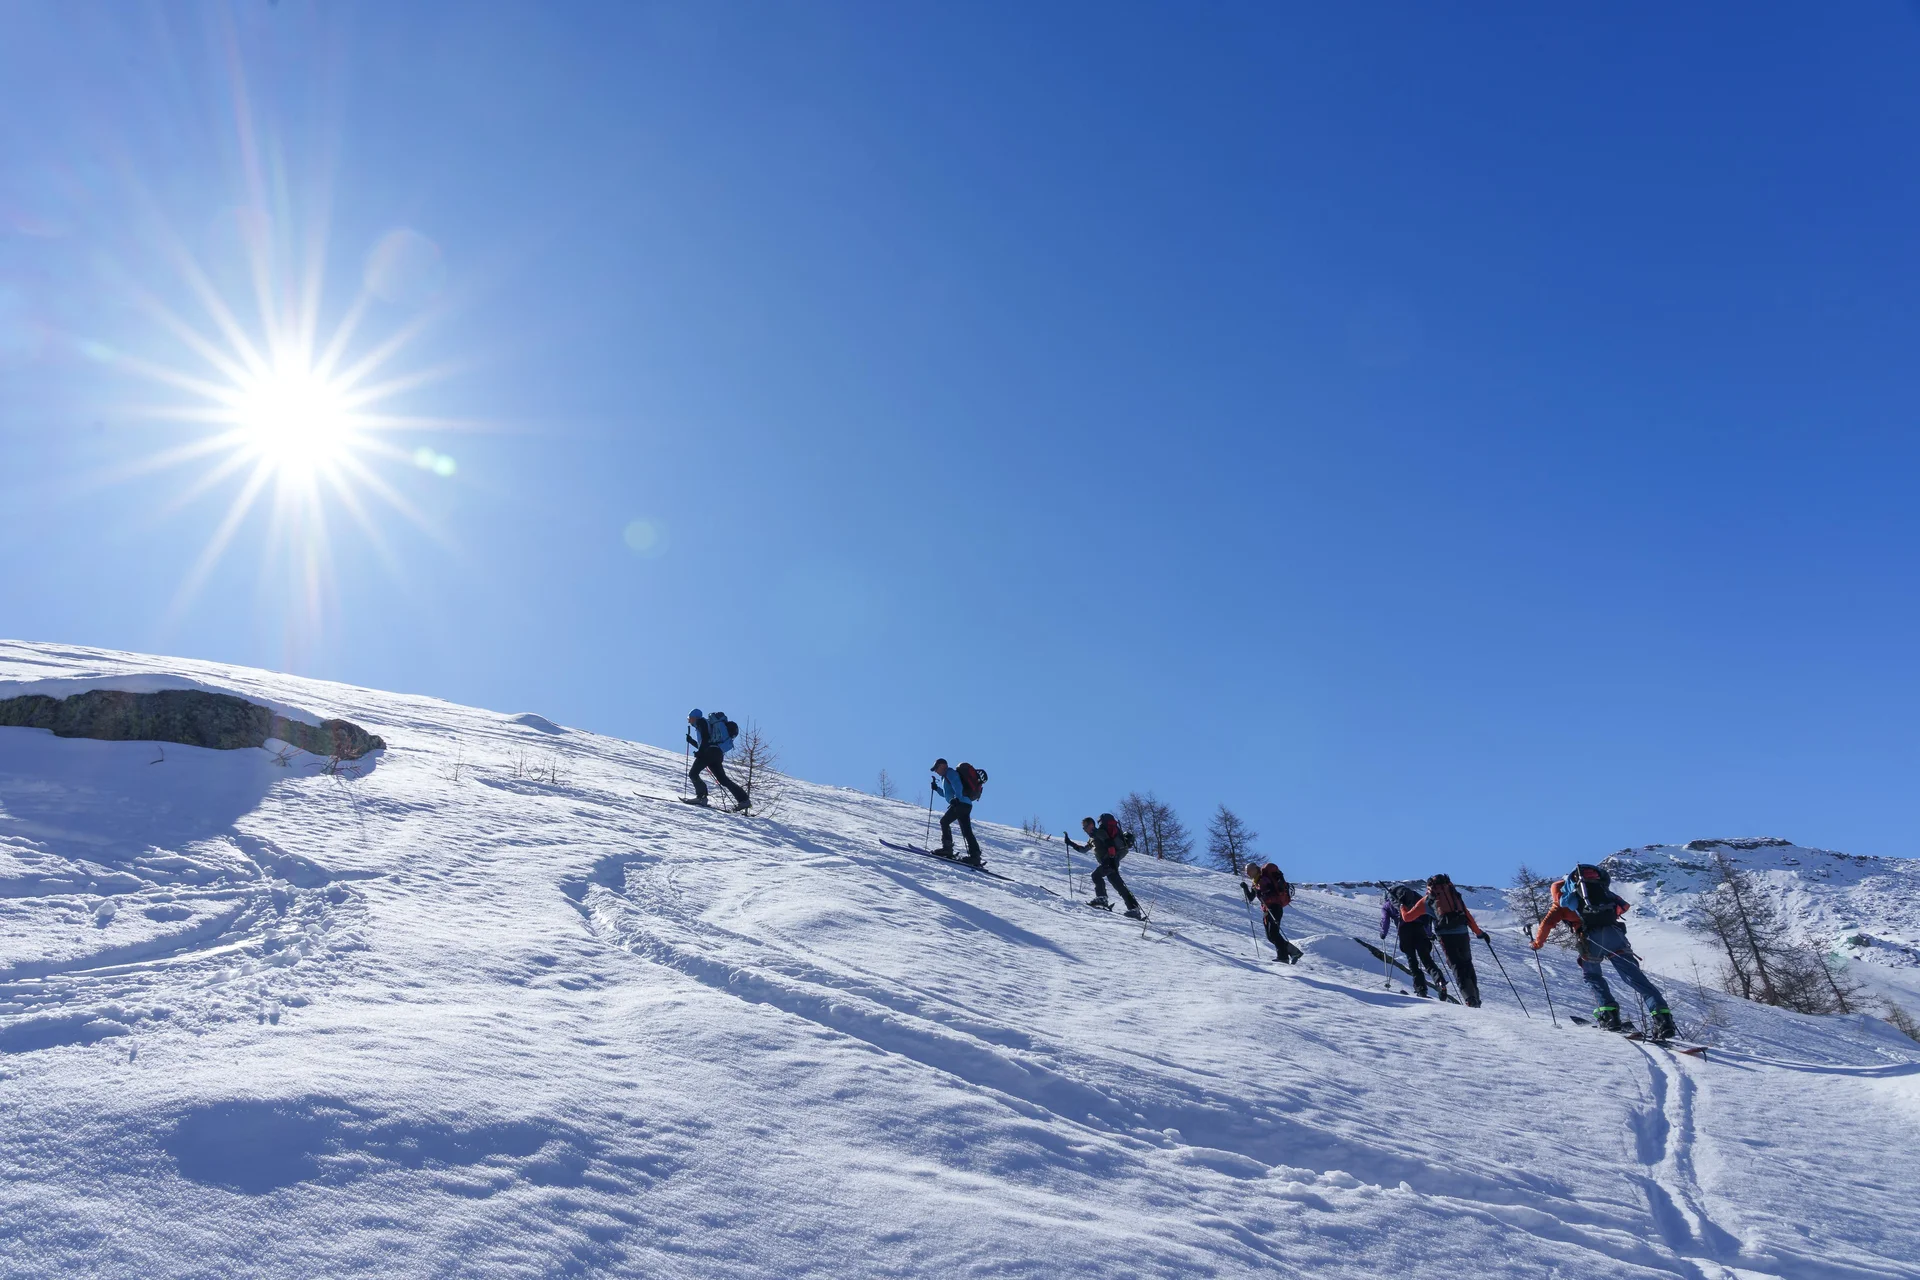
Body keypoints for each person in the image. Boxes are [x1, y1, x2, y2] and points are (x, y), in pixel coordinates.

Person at [1532, 863, 1676, 1039]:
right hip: (1615, 935)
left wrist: (1538, 943)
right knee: (1635, 979)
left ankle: (1609, 1016)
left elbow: (1547, 923)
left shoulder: (1563, 902)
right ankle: (1663, 1019)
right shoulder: (1600, 892)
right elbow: (1624, 906)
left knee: (1592, 976)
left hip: (1591, 940)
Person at [1406, 873, 1486, 1007]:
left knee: (1456, 966)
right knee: (1467, 964)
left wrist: (1402, 906)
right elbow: (1467, 915)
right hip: (1463, 933)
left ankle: (1469, 999)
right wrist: (1478, 933)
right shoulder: (1454, 895)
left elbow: (1408, 917)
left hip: (1446, 936)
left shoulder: (1428, 899)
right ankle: (1475, 998)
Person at [1380, 883, 1452, 1000]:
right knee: (1427, 960)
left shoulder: (1388, 905)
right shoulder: (1414, 899)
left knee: (1412, 962)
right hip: (1420, 930)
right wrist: (1429, 934)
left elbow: (1385, 921)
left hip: (1404, 932)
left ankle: (1421, 990)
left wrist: (1383, 934)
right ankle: (1440, 982)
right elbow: (1425, 917)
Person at [1064, 814, 1143, 919]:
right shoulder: (1092, 839)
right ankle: (1134, 909)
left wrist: (1111, 859)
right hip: (1110, 861)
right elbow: (1083, 850)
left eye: (1085, 826)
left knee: (1096, 876)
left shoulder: (1099, 832)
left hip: (1109, 860)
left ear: (1091, 824)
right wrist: (1070, 843)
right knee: (1118, 885)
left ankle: (1102, 898)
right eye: (1083, 828)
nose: (1084, 830)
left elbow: (1109, 843)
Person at [685, 709, 750, 811]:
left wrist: (700, 752)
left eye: (690, 719)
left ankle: (701, 797)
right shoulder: (705, 724)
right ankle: (744, 800)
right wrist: (692, 741)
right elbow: (706, 742)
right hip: (717, 753)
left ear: (695, 717)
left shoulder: (701, 721)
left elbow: (705, 739)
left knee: (693, 773)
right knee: (723, 780)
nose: (689, 721)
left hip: (709, 752)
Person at [1242, 862, 1302, 963]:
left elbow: (1271, 890)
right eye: (1247, 872)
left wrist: (1261, 890)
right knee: (1270, 936)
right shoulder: (1255, 882)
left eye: (1249, 871)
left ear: (1255, 869)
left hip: (1274, 907)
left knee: (1273, 934)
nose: (1248, 874)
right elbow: (1251, 898)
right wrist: (1245, 888)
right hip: (1267, 910)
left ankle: (1283, 957)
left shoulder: (1264, 878)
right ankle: (1293, 952)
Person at [929, 758, 982, 866]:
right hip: (965, 804)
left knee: (944, 822)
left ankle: (947, 849)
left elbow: (958, 785)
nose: (936, 771)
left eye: (936, 768)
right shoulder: (945, 778)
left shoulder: (950, 773)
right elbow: (946, 794)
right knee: (966, 830)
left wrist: (957, 798)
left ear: (942, 766)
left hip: (960, 803)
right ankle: (975, 856)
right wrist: (936, 789)